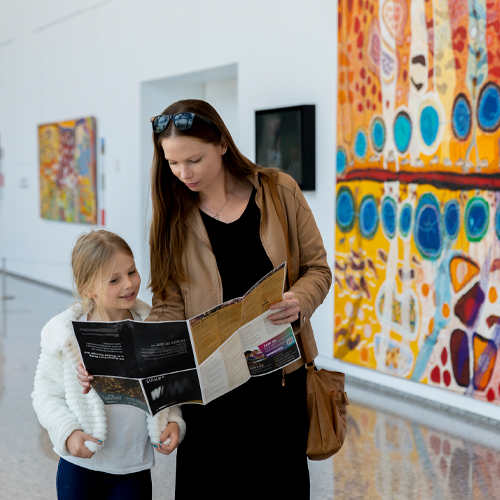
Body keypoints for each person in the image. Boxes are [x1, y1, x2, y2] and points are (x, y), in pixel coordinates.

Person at [78, 100, 331, 499]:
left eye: (193, 159)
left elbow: (318, 269)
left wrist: (299, 299)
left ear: (223, 144)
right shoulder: (172, 216)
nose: (183, 173)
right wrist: (132, 353)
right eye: (172, 163)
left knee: (279, 485)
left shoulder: (280, 191)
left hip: (278, 380)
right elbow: (168, 304)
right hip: (209, 386)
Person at [32, 230, 185, 500]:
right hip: (81, 468)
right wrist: (68, 434)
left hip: (133, 467)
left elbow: (166, 386)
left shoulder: (152, 327)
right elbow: (45, 394)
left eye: (132, 272)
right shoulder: (66, 336)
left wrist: (173, 421)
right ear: (88, 287)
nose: (129, 284)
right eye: (114, 279)